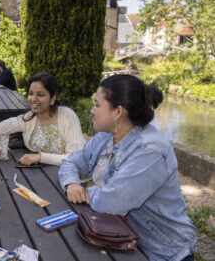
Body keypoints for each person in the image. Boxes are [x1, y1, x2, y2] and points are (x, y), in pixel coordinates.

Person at [59, 75, 196, 261]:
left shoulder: (150, 151)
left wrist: (89, 189)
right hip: (119, 239)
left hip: (160, 252)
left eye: (97, 105)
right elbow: (71, 162)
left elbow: (109, 204)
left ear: (118, 112)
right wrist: (73, 183)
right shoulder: (107, 135)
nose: (92, 110)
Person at [0, 72, 85, 166]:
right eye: (31, 93)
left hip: (72, 178)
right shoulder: (28, 118)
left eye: (40, 94)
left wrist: (40, 157)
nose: (33, 99)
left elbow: (76, 159)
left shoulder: (67, 116)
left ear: (52, 99)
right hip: (41, 176)